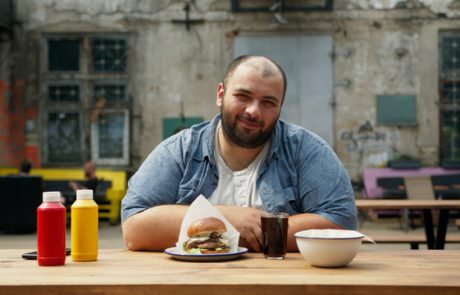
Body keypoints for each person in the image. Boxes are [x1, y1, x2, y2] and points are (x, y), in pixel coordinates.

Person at [121, 55, 357, 252]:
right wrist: (225, 220)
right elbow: (133, 228)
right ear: (220, 94)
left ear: (280, 107)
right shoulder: (179, 151)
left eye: (268, 102)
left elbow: (341, 223)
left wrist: (259, 229)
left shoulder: (306, 151)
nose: (254, 111)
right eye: (243, 96)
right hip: (195, 283)